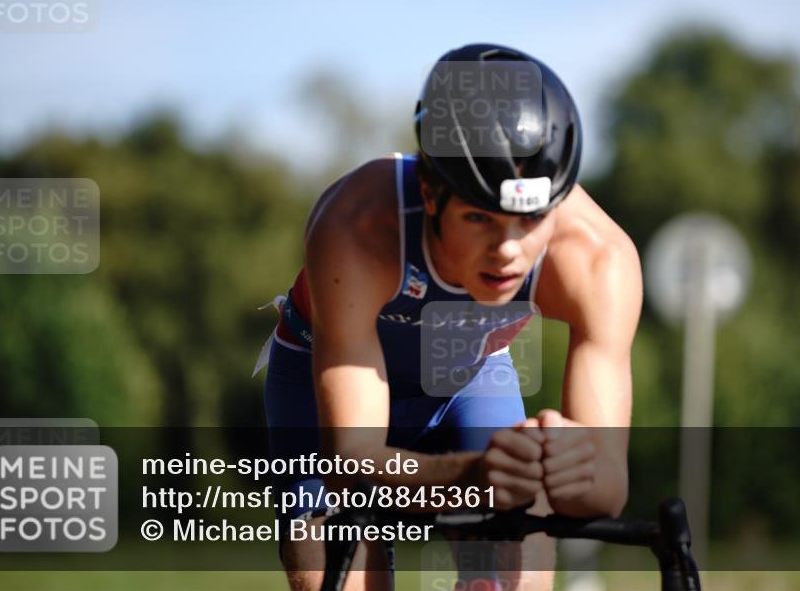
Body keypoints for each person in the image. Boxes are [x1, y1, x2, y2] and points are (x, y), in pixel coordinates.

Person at [257, 43, 641, 591]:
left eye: (530, 219)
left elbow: (607, 490)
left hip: (468, 372)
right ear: (431, 194)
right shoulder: (358, 226)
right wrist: (469, 477)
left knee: (519, 574)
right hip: (324, 385)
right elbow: (351, 458)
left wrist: (566, 465)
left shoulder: (599, 259)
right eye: (481, 218)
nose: (508, 250)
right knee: (333, 575)